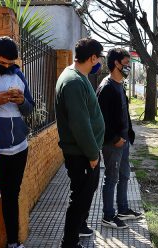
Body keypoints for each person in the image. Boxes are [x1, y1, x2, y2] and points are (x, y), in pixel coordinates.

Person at [0, 36, 35, 248]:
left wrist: (22, 102)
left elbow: (30, 108)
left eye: (12, 63)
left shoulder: (17, 73)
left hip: (19, 147)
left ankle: (13, 242)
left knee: (12, 195)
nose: (8, 67)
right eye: (3, 63)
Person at [55, 38, 105, 248]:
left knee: (83, 199)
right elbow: (79, 124)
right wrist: (93, 155)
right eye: (99, 57)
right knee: (79, 201)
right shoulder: (73, 81)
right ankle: (69, 244)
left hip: (85, 152)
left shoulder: (77, 76)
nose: (100, 62)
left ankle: (72, 240)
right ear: (92, 57)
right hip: (82, 154)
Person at [96, 48, 140, 229]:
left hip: (123, 140)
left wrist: (128, 134)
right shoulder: (106, 87)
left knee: (124, 175)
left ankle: (123, 209)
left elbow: (124, 113)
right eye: (126, 64)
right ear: (116, 63)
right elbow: (101, 119)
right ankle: (108, 215)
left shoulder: (119, 84)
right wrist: (115, 138)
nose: (128, 67)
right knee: (111, 177)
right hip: (113, 143)